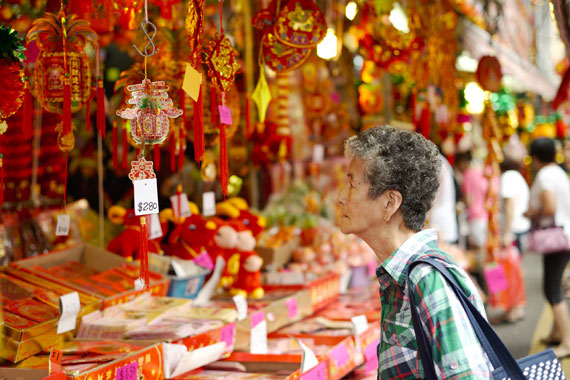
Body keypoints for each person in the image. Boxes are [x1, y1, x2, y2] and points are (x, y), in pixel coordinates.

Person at [337, 125, 492, 379]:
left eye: (352, 185)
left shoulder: (428, 280)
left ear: (389, 203)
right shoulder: (401, 275)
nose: (341, 197)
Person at [525, 137, 570, 358]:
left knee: (551, 289)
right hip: (564, 235)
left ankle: (567, 342)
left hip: (556, 238)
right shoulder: (559, 172)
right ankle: (555, 332)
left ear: (535, 157)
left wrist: (532, 213)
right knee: (555, 285)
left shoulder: (544, 175)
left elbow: (550, 206)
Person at [429, 154, 459, 244]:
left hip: (438, 223)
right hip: (443, 221)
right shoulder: (442, 162)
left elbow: (432, 196)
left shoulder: (434, 162)